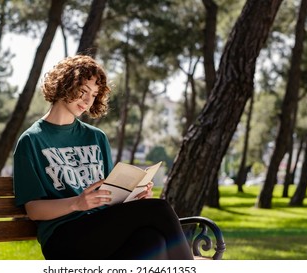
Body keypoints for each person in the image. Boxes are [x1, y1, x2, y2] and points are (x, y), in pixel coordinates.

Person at [13, 54, 194, 260]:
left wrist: (134, 195)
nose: (88, 100)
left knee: (152, 241)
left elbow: (108, 194)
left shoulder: (95, 137)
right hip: (63, 238)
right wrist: (77, 203)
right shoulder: (32, 140)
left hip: (101, 230)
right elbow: (34, 210)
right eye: (83, 91)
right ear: (64, 84)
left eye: (94, 94)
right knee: (159, 209)